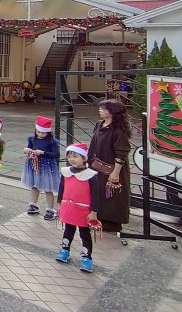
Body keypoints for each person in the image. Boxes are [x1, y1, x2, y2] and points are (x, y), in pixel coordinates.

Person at [87, 99, 132, 233]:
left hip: (113, 168)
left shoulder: (118, 130)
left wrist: (115, 172)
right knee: (98, 193)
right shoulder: (99, 124)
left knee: (113, 196)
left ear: (113, 112)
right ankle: (98, 218)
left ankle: (113, 223)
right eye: (100, 107)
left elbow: (122, 152)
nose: (100, 110)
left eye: (104, 108)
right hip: (97, 166)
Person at [55, 142, 100, 273]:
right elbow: (61, 188)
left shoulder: (91, 175)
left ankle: (87, 257)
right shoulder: (66, 172)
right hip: (68, 207)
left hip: (83, 210)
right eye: (69, 156)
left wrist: (94, 212)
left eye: (75, 156)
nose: (72, 159)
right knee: (68, 230)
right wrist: (59, 203)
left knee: (84, 234)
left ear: (84, 158)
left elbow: (95, 195)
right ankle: (64, 249)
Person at [23, 116, 62, 220]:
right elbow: (29, 147)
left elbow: (56, 154)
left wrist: (43, 153)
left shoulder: (51, 142)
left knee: (48, 188)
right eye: (38, 132)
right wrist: (27, 150)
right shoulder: (32, 139)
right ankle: (33, 205)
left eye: (43, 133)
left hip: (47, 167)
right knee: (34, 185)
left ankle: (50, 209)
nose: (40, 134)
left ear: (48, 133)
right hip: (34, 165)